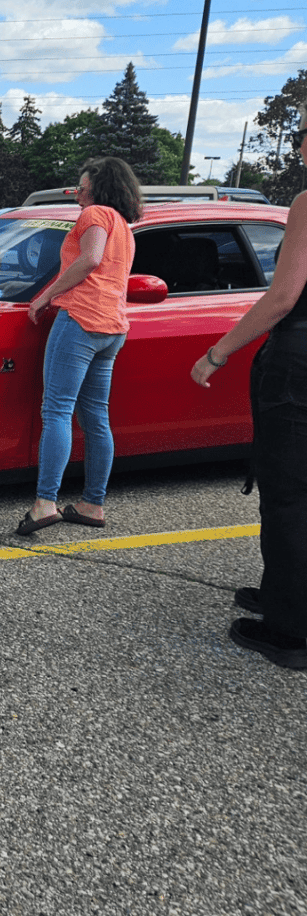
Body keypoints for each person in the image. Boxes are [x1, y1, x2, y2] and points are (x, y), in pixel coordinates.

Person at [191, 106, 307, 669]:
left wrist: (218, 352)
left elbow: (282, 297)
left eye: (304, 135)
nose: (300, 145)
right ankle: (283, 592)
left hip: (299, 364)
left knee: (289, 493)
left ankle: (290, 631)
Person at [16, 157, 144, 536]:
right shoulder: (124, 226)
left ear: (98, 187)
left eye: (81, 188)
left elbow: (89, 259)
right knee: (96, 417)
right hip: (112, 327)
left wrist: (45, 296)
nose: (77, 195)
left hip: (81, 319)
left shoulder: (94, 215)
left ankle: (45, 503)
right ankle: (92, 504)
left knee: (56, 410)